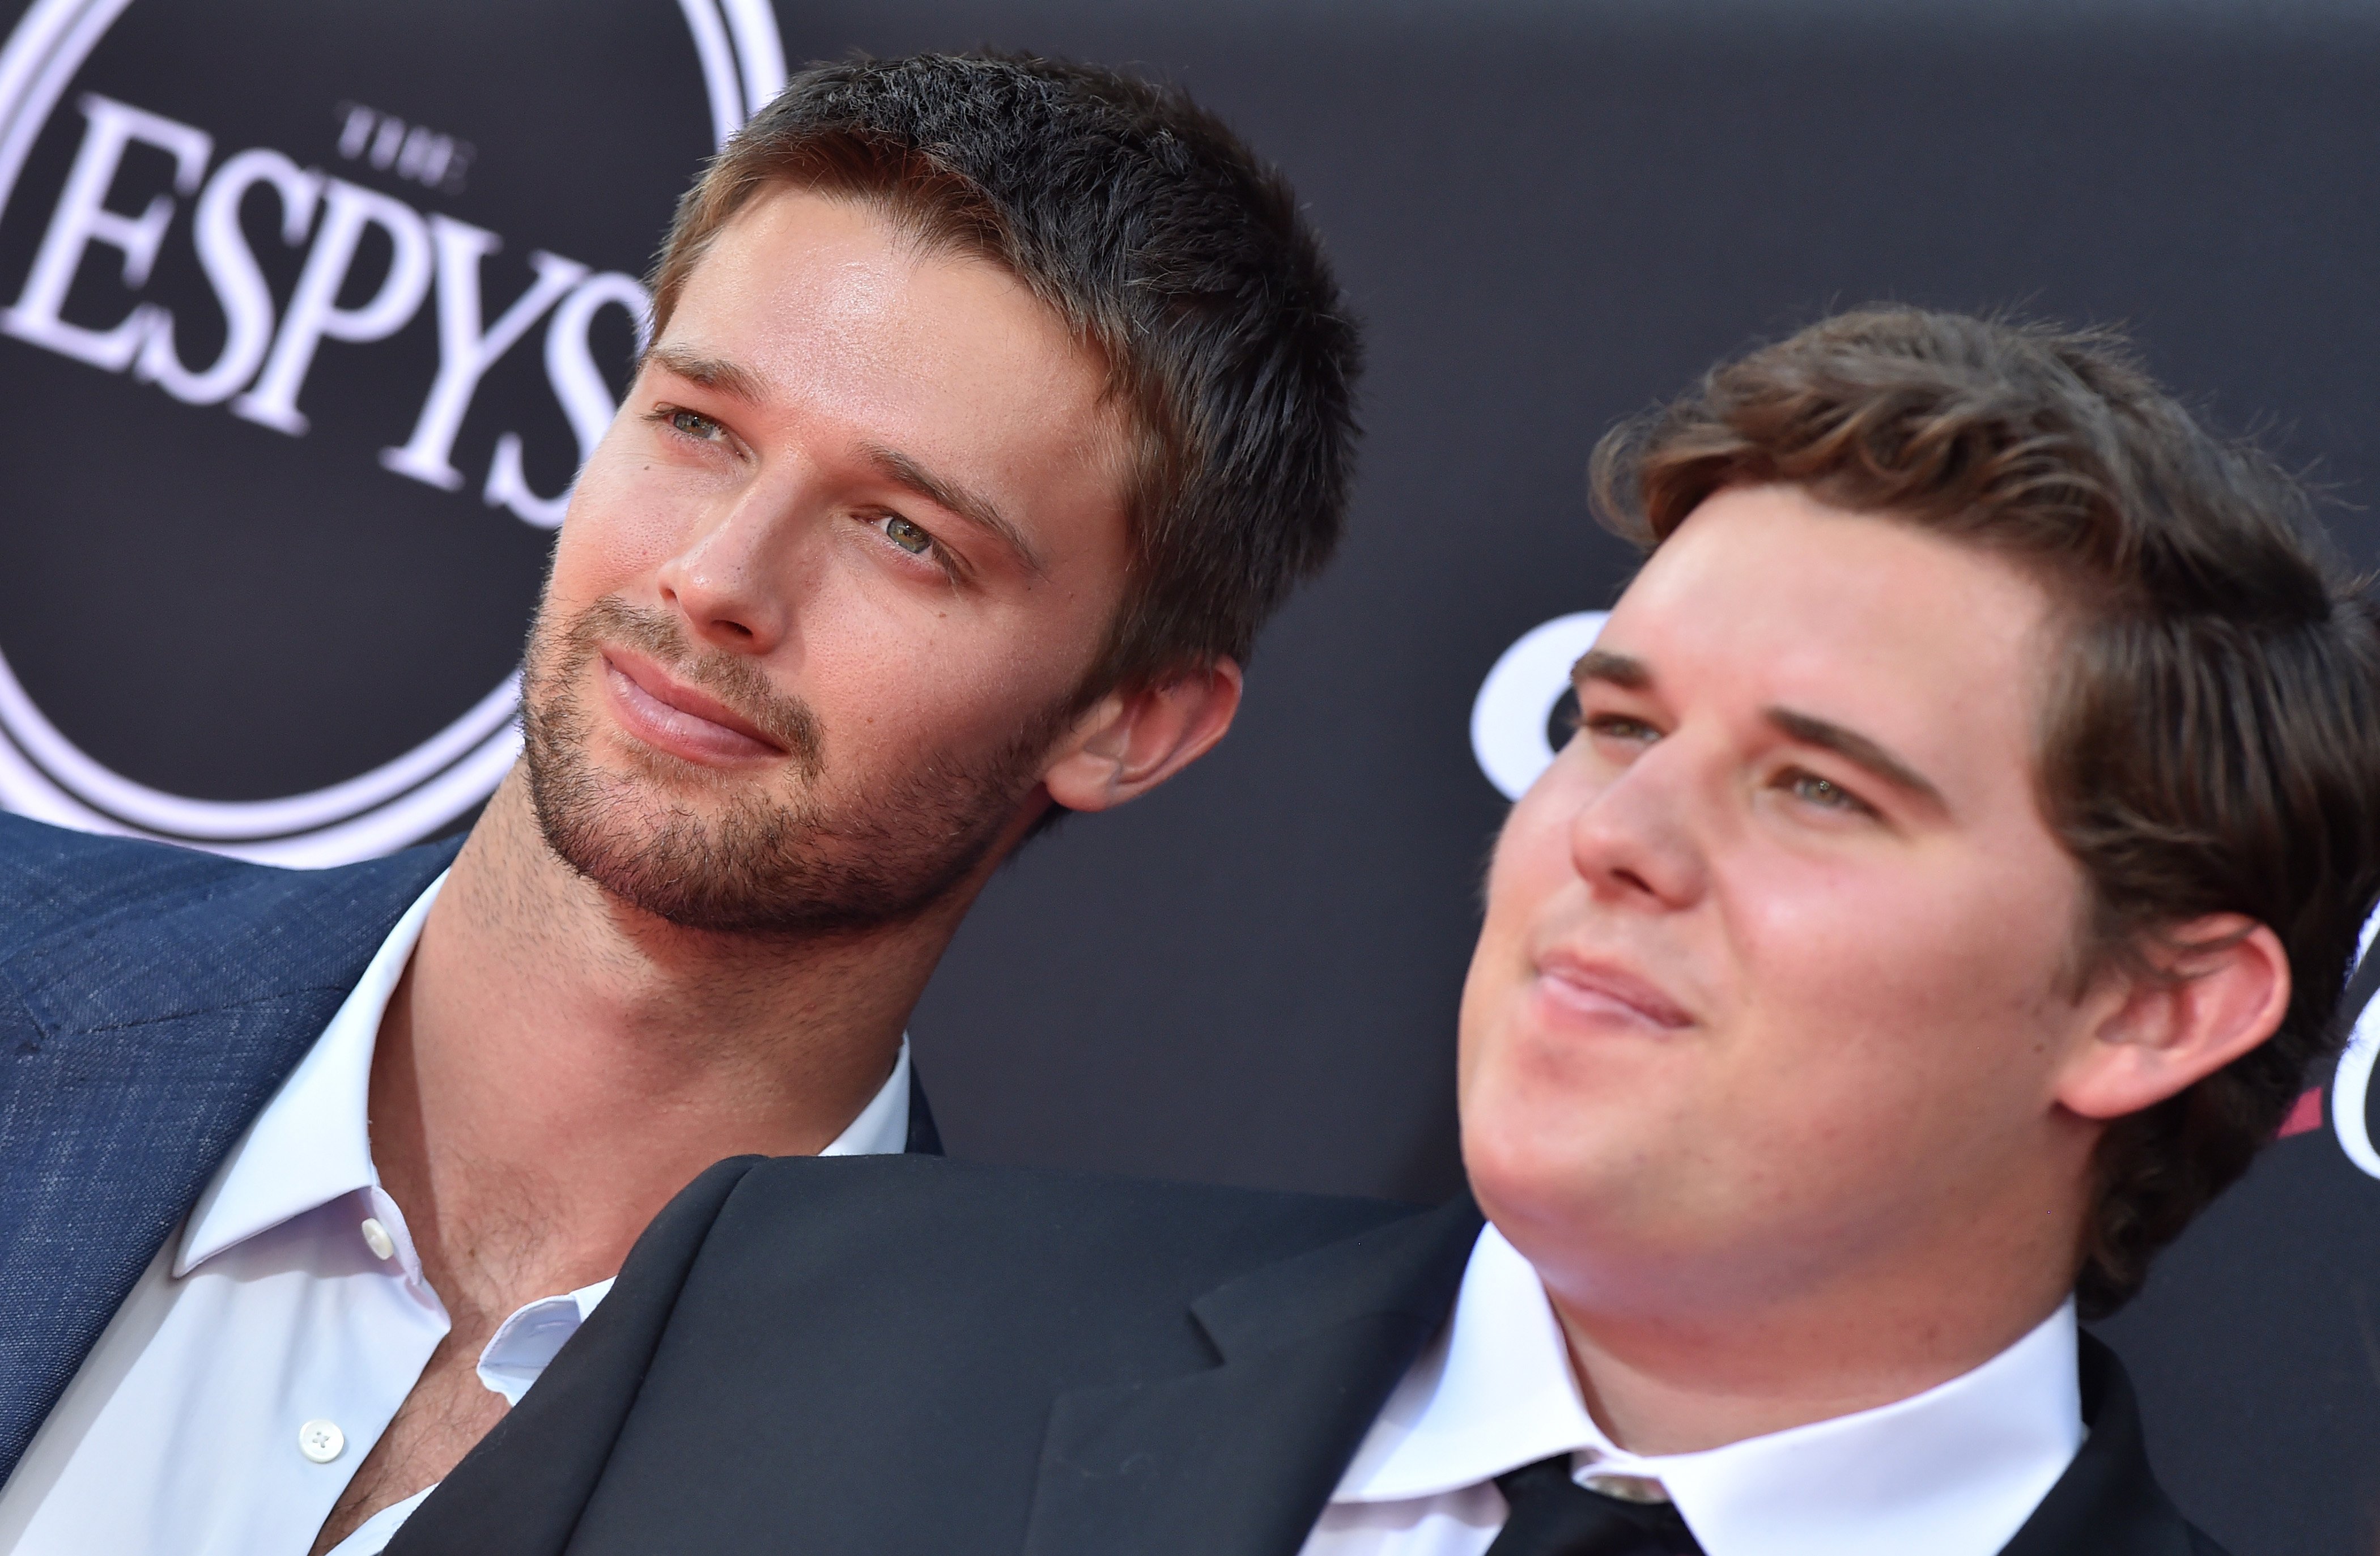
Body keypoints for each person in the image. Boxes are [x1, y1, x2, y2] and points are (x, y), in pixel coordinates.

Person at [385, 307, 2380, 1556]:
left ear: (2152, 1004)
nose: (1618, 835)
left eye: (1818, 788)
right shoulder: (805, 1319)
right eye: (1614, 722)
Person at [0, 52, 1361, 1556]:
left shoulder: (998, 1507)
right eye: (700, 426)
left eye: (906, 533)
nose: (718, 578)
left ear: (1131, 722)